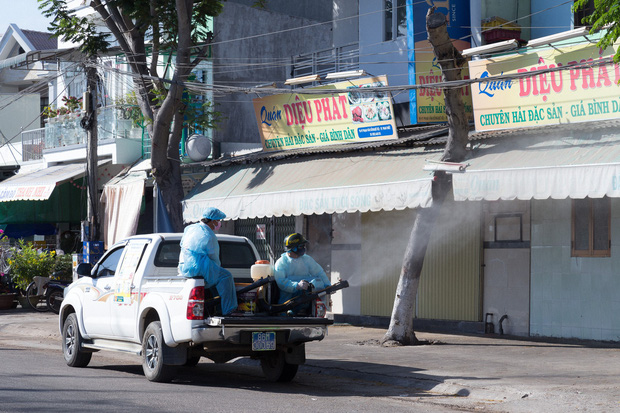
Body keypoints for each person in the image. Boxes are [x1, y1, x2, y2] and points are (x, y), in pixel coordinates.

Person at [178, 207, 238, 315]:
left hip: (184, 266)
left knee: (215, 280)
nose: (219, 223)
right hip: (199, 267)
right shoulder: (209, 235)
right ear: (212, 221)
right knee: (226, 276)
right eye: (218, 221)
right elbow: (214, 256)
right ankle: (229, 310)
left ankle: (217, 308)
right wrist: (217, 269)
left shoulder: (191, 228)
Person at [274, 233, 331, 313]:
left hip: (306, 301)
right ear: (293, 248)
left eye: (304, 246)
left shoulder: (307, 259)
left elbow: (319, 273)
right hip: (287, 304)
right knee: (285, 317)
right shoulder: (281, 263)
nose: (304, 248)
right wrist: (296, 285)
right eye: (301, 246)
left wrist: (327, 285)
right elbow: (281, 282)